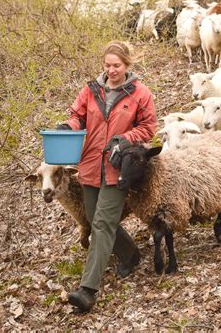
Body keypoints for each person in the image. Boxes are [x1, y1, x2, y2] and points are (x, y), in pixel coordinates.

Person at [56, 40, 156, 313]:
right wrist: (68, 126)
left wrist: (125, 138)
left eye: (117, 65)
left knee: (101, 223)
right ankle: (130, 254)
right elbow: (78, 117)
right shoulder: (91, 90)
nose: (112, 70)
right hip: (89, 165)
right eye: (108, 65)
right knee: (93, 217)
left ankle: (87, 289)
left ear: (127, 65)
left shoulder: (140, 93)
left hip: (117, 168)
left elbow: (148, 127)